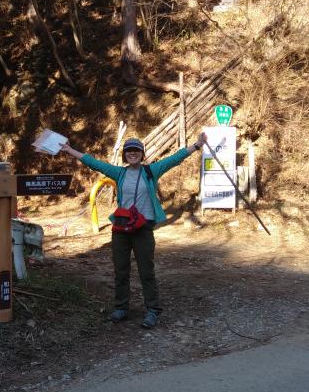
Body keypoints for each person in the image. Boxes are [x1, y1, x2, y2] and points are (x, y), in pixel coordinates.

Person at [60, 132, 207, 329]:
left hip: (143, 227)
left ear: (142, 154)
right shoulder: (119, 173)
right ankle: (121, 308)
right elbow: (94, 163)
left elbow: (174, 159)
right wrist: (70, 150)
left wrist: (196, 145)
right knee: (121, 270)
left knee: (146, 271)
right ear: (124, 154)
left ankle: (152, 310)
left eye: (136, 150)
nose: (133, 153)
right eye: (129, 150)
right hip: (121, 227)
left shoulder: (151, 171)